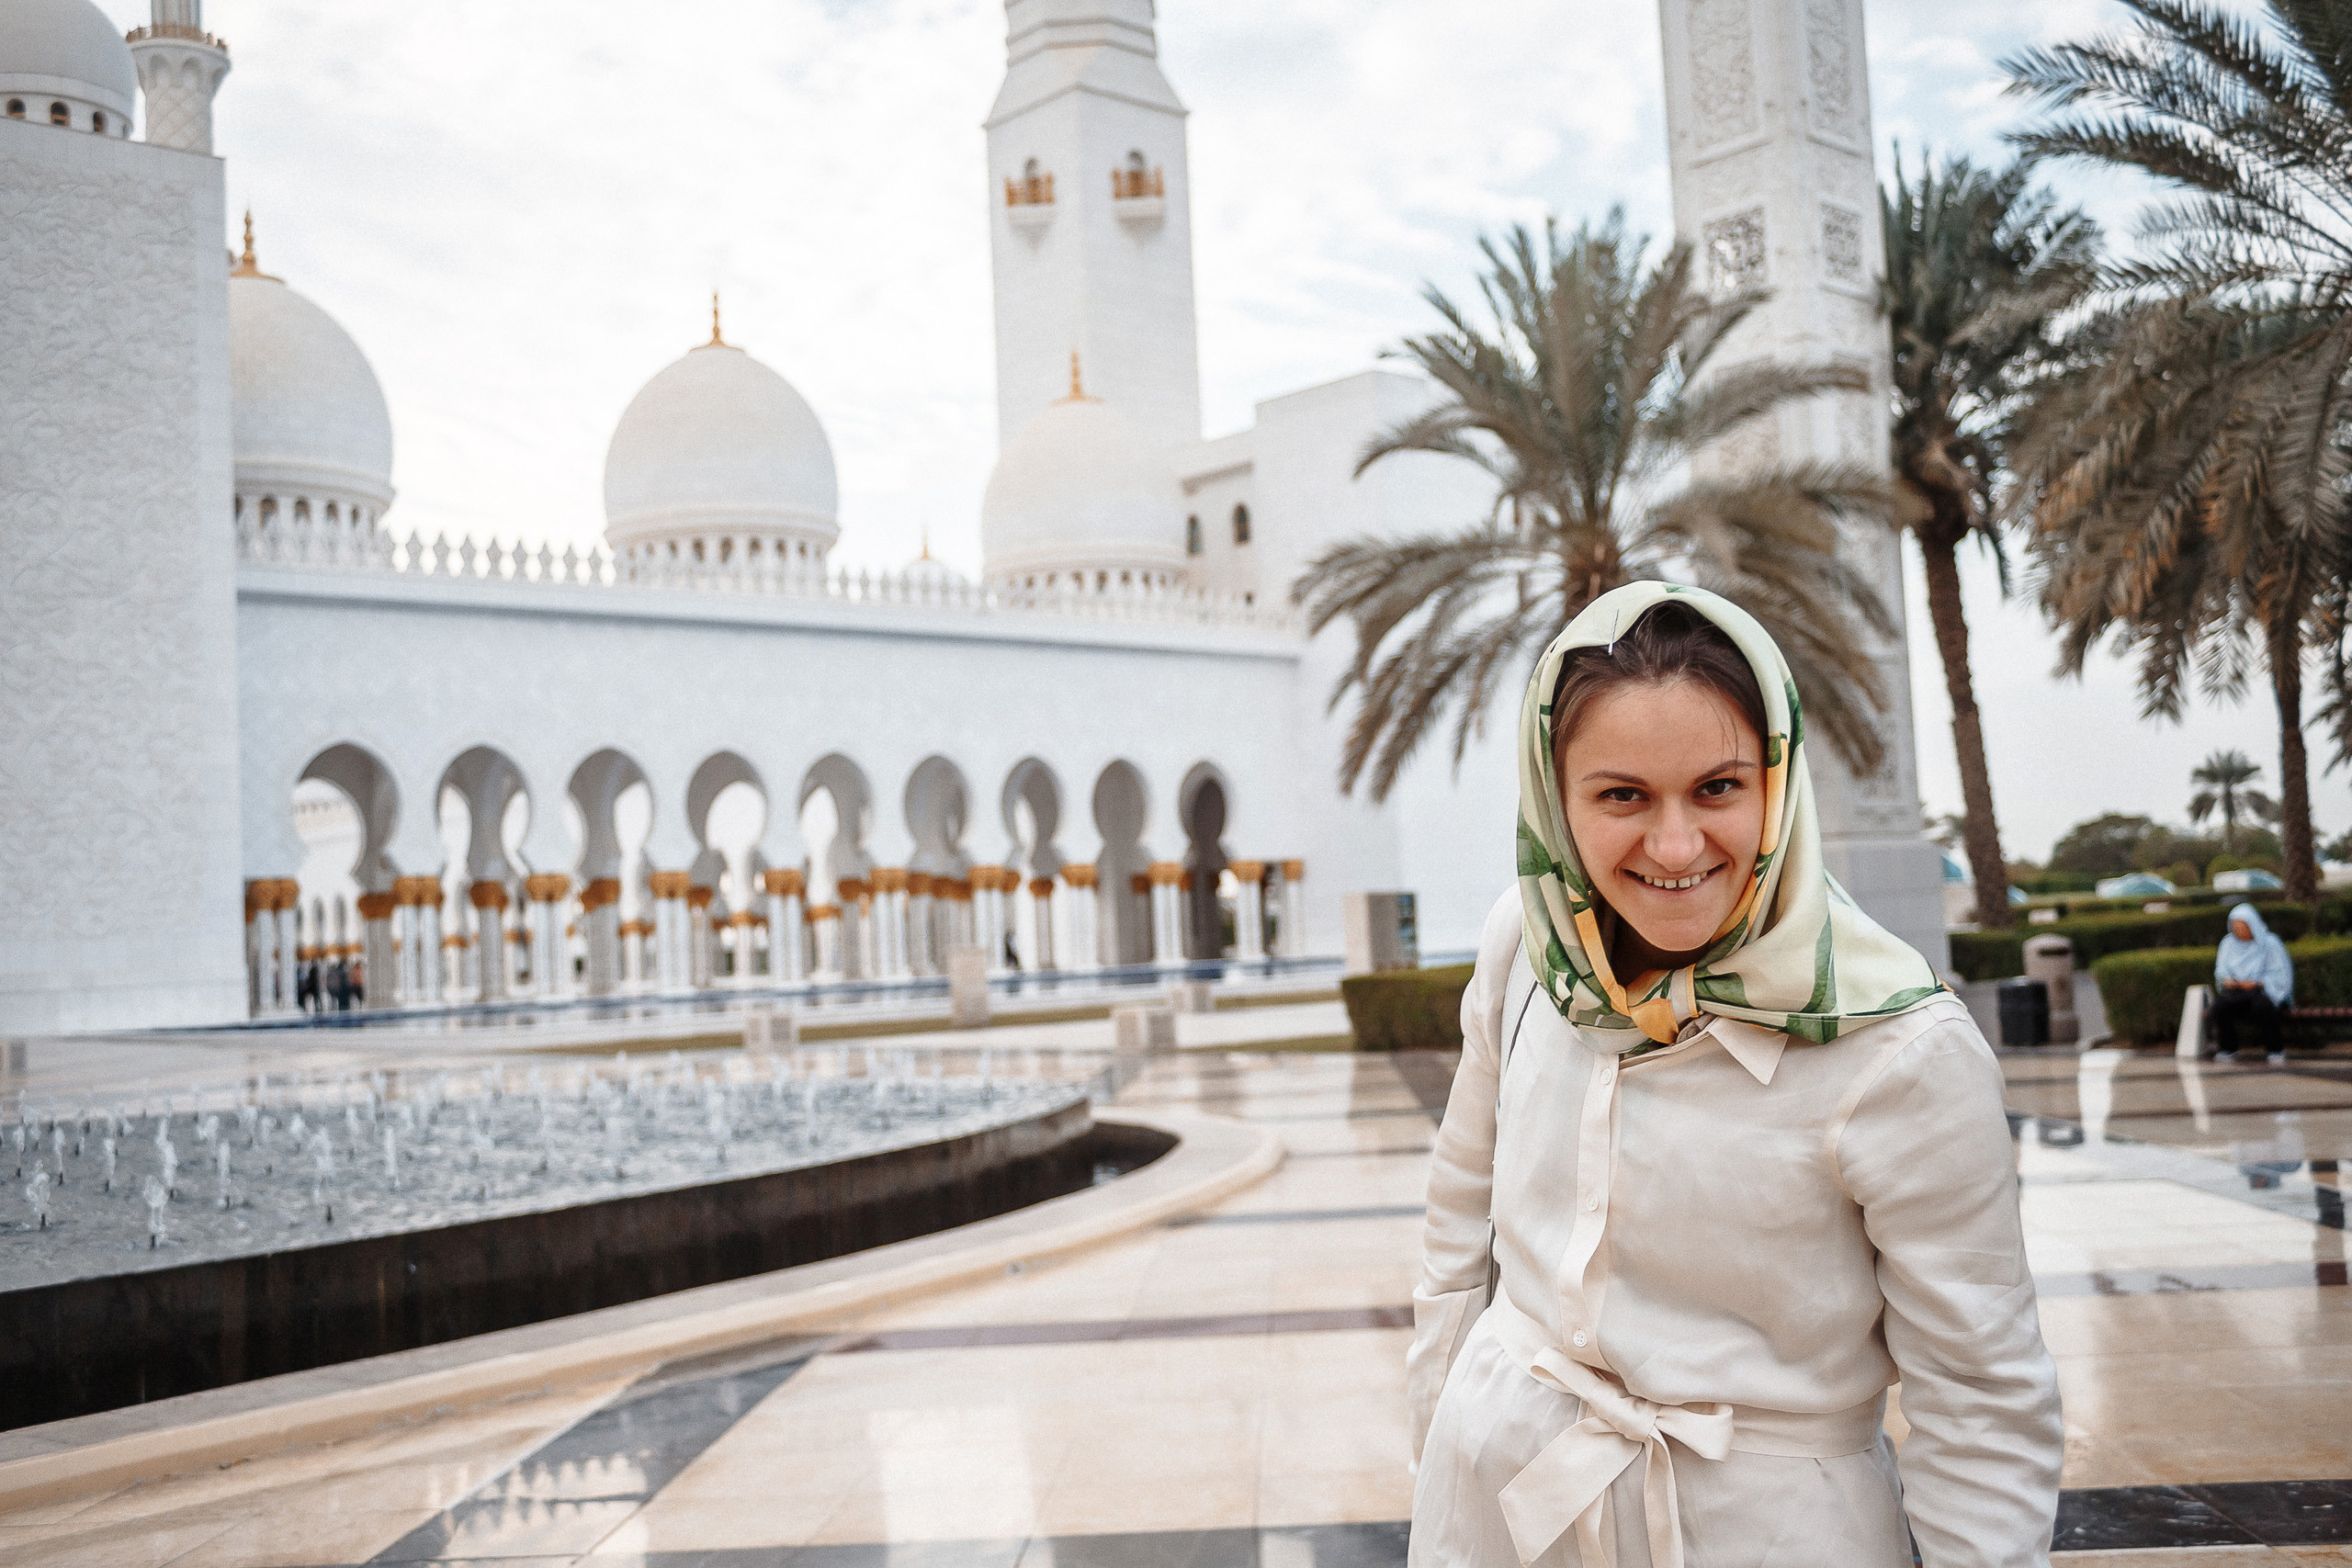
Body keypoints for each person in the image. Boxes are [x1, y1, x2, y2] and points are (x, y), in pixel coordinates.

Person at [1408, 583, 2062, 1568]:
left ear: (1776, 781)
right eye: (1621, 795)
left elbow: (1981, 1397)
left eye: (1716, 788)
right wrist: (1442, 1430)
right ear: (1555, 797)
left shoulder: (1898, 1050)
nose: (1674, 847)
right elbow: (1459, 1217)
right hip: (1499, 1505)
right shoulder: (1525, 951)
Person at [2211, 902, 2293, 1064]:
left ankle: (2275, 1050)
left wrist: (2258, 983)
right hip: (2237, 994)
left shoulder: (2270, 943)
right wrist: (2230, 982)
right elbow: (2222, 972)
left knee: (2263, 1006)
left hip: (2262, 992)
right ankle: (2228, 1048)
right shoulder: (2228, 944)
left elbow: (2280, 974)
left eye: (2242, 926)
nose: (2238, 931)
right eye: (2234, 926)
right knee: (2220, 1006)